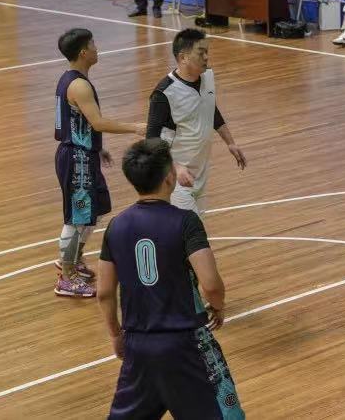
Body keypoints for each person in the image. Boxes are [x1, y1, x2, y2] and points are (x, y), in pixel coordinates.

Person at [98, 138, 245, 419]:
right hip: (185, 344)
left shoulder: (115, 227)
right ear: (169, 178)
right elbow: (211, 284)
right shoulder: (186, 222)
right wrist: (218, 306)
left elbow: (104, 292)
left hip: (138, 345)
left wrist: (116, 334)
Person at [53, 28, 143, 298]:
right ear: (83, 52)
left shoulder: (73, 79)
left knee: (96, 210)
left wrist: (98, 147)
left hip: (84, 154)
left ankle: (73, 259)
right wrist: (135, 127)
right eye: (93, 44)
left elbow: (78, 122)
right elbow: (98, 122)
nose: (96, 48)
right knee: (77, 218)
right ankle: (66, 276)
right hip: (76, 159)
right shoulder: (78, 85)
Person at [146, 28, 248, 214]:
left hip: (200, 173)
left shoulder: (207, 76)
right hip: (175, 177)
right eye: (201, 53)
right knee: (188, 228)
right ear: (183, 57)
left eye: (207, 52)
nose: (206, 57)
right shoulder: (164, 93)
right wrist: (176, 168)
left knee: (196, 227)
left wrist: (230, 143)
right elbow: (151, 140)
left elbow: (210, 109)